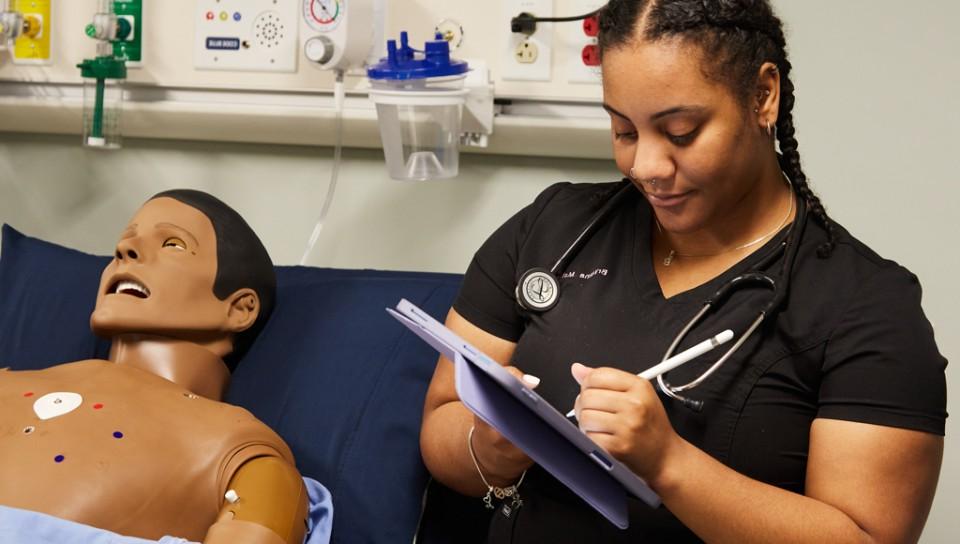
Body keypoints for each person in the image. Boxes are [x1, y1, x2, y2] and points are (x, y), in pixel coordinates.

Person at [419, 1, 947, 542]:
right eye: (624, 130)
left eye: (680, 131)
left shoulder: (867, 307)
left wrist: (669, 462)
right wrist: (490, 445)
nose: (646, 167)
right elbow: (441, 421)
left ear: (763, 95)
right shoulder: (553, 230)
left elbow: (866, 536)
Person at [0, 190, 308, 544]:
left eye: (173, 244)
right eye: (125, 241)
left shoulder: (240, 455)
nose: (124, 251)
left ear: (239, 308)